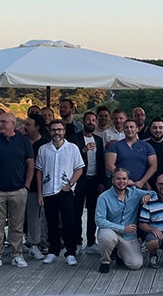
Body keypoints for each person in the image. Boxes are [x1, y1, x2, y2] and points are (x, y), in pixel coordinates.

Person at [0, 113, 35, 270]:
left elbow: (30, 164)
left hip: (18, 190)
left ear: (13, 123)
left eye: (4, 122)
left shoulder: (23, 141)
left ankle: (16, 254)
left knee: (17, 225)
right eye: (0, 122)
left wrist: (26, 186)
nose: (0, 124)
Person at [35, 119, 85, 266]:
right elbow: (39, 171)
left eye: (59, 130)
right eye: (53, 130)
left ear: (64, 131)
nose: (56, 132)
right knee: (52, 224)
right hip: (48, 191)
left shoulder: (72, 148)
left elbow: (79, 169)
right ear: (49, 131)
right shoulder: (44, 149)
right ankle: (53, 251)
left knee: (69, 223)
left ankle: (70, 253)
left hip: (65, 191)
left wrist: (70, 185)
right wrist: (40, 193)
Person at [94, 168, 152, 273]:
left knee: (136, 264)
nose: (121, 181)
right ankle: (105, 261)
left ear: (128, 180)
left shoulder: (135, 193)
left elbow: (154, 194)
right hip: (111, 231)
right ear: (113, 180)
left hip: (129, 235)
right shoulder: (103, 197)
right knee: (106, 237)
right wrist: (123, 228)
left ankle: (120, 254)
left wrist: (148, 195)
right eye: (118, 179)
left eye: (124, 179)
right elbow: (99, 220)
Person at [67, 111, 107, 254]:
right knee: (77, 212)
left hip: (94, 180)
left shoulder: (99, 140)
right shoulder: (73, 139)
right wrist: (84, 150)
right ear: (83, 121)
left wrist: (102, 181)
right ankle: (77, 241)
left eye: (93, 120)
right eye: (88, 120)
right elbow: (70, 158)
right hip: (79, 180)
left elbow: (101, 162)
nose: (91, 122)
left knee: (93, 212)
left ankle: (91, 242)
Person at [23, 113, 50, 260]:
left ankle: (35, 243)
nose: (24, 126)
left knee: (36, 216)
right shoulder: (20, 141)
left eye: (28, 124)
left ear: (37, 127)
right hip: (19, 185)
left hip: (38, 186)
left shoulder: (45, 144)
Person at [105, 119, 157, 190]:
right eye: (126, 127)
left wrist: (142, 181)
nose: (129, 129)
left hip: (141, 186)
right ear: (123, 130)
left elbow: (153, 166)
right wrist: (124, 180)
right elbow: (109, 165)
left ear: (137, 129)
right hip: (120, 186)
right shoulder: (115, 146)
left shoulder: (146, 146)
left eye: (131, 127)